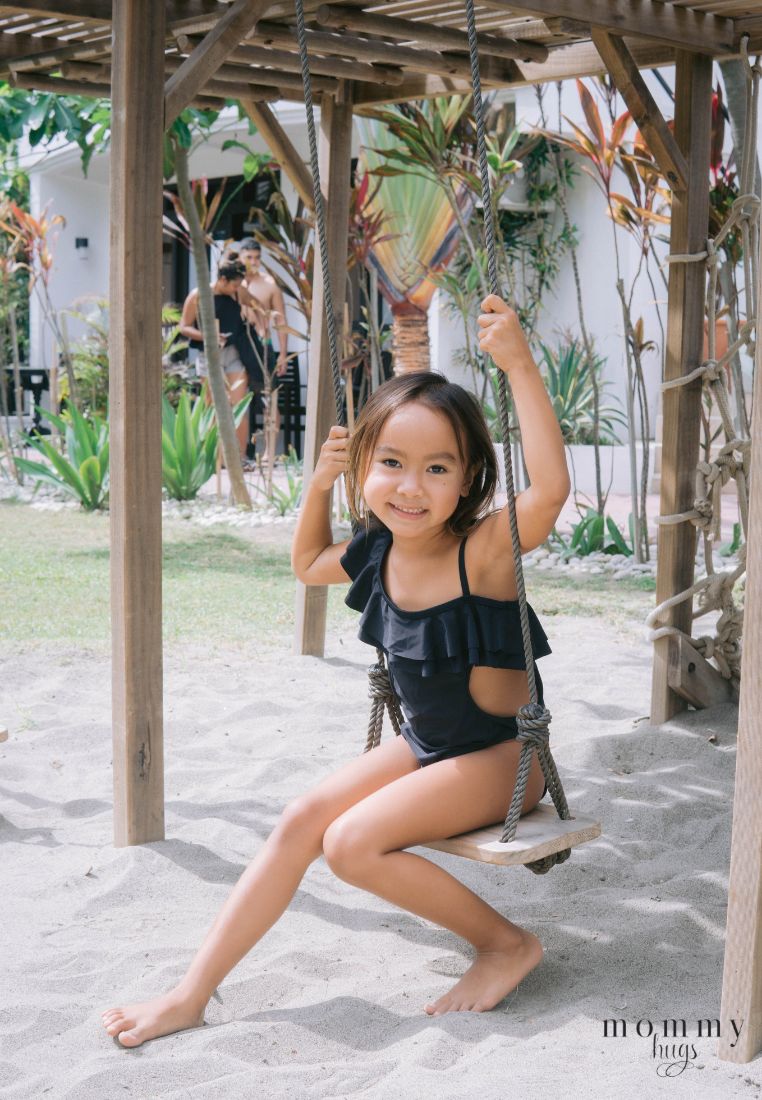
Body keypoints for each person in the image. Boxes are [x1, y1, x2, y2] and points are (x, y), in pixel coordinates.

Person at [101, 295, 570, 1048]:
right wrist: (317, 485)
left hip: (501, 760)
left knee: (351, 844)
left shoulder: (479, 552)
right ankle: (191, 993)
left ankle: (506, 944)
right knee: (298, 823)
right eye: (390, 464)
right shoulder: (380, 549)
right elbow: (308, 562)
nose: (410, 487)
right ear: (364, 467)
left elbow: (547, 493)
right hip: (430, 745)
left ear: (468, 478)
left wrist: (517, 364)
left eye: (436, 468)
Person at [179, 253, 261, 461]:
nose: (236, 289)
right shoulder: (198, 295)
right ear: (222, 280)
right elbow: (184, 327)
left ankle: (240, 457)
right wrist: (209, 335)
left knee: (239, 404)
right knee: (213, 405)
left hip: (233, 352)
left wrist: (257, 324)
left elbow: (258, 306)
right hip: (208, 353)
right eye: (233, 285)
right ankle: (215, 459)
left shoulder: (238, 292)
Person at [237, 238, 289, 462]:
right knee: (238, 399)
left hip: (263, 347)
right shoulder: (232, 282)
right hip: (237, 346)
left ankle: (269, 451)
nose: (253, 262)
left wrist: (283, 355)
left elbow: (281, 321)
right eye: (248, 257)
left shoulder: (269, 285)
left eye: (257, 258)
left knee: (269, 399)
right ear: (240, 257)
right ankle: (237, 453)